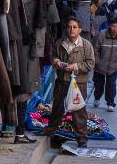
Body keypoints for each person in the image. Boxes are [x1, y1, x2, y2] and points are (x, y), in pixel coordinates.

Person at [43, 18, 96, 148]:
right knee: (57, 109)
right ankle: (51, 133)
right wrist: (56, 62)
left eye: (74, 27)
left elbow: (90, 64)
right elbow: (53, 56)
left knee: (79, 112)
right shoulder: (60, 43)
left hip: (78, 84)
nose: (71, 29)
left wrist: (75, 67)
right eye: (69, 27)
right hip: (62, 81)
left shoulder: (86, 45)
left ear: (80, 30)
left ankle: (82, 139)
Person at [93, 17, 117, 112]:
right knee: (99, 84)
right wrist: (97, 62)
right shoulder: (101, 35)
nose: (115, 29)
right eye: (113, 26)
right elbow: (95, 50)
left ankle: (110, 103)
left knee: (111, 85)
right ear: (109, 26)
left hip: (113, 67)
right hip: (99, 67)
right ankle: (97, 98)